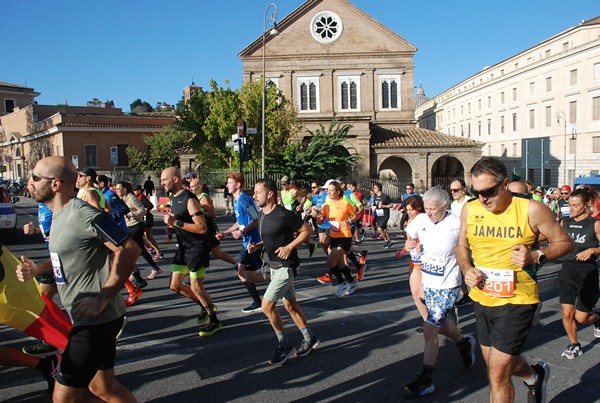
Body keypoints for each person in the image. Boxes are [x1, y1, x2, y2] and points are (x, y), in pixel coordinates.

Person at [16, 155, 140, 402]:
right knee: (103, 388)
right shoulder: (59, 216)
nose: (29, 182)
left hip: (95, 322)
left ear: (56, 184)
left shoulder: (81, 213)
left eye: (35, 178)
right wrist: (37, 269)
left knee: (63, 398)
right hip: (92, 319)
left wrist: (103, 296)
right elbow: (66, 261)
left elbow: (129, 249)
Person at [457, 157, 573, 403]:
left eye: (488, 191)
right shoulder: (471, 208)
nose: (483, 198)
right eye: (476, 192)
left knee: (497, 374)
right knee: (497, 366)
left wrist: (535, 255)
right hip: (482, 296)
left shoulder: (531, 209)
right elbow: (461, 246)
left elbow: (563, 243)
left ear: (505, 184)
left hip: (518, 299)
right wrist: (467, 268)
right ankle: (533, 376)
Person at [404, 187, 476, 396]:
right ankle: (464, 344)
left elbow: (472, 248)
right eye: (426, 208)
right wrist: (410, 242)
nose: (429, 213)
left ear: (445, 206)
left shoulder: (456, 224)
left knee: (430, 329)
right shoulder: (421, 220)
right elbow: (411, 236)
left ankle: (426, 380)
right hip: (429, 282)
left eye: (433, 209)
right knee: (441, 324)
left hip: (448, 285)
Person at [248, 178, 319, 365]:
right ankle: (310, 338)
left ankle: (285, 345)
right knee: (290, 306)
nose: (254, 196)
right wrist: (257, 246)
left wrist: (289, 247)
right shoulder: (263, 214)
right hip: (274, 266)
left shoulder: (283, 214)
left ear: (270, 194)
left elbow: (307, 231)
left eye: (258, 192)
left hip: (286, 267)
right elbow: (274, 237)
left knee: (267, 306)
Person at [161, 167, 222, 336]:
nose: (162, 183)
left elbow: (202, 228)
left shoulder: (190, 199)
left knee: (196, 287)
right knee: (174, 285)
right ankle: (205, 305)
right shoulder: (173, 198)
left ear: (175, 179)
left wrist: (177, 224)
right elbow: (177, 221)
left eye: (164, 180)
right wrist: (172, 227)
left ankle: (215, 321)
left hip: (197, 248)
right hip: (184, 247)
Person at [558, 187, 600, 359]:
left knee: (582, 318)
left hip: (587, 272)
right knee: (567, 313)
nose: (572, 208)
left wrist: (592, 250)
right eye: (570, 205)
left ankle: (596, 318)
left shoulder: (595, 224)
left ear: (586, 205)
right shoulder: (564, 223)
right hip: (568, 271)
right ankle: (574, 344)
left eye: (576, 205)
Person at [217, 172, 265, 313]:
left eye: (229, 183)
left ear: (238, 185)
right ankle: (258, 300)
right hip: (247, 242)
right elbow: (240, 221)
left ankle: (275, 282)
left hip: (253, 243)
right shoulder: (237, 200)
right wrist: (226, 233)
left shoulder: (244, 199)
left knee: (242, 271)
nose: (226, 185)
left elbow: (256, 219)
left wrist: (242, 232)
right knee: (242, 272)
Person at [314, 180, 360, 298]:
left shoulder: (345, 203)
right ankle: (352, 282)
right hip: (333, 235)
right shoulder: (327, 205)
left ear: (338, 191)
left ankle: (342, 283)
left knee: (330, 261)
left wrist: (349, 221)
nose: (328, 192)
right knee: (340, 263)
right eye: (327, 190)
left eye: (331, 190)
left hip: (344, 236)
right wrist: (318, 218)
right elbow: (322, 219)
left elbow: (355, 215)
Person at [115, 181, 162, 284]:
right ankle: (154, 268)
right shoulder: (123, 198)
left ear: (125, 189)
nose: (117, 191)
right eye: (116, 189)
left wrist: (130, 214)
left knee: (129, 249)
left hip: (135, 226)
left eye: (119, 189)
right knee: (140, 249)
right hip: (130, 225)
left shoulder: (131, 198)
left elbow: (141, 210)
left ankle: (135, 272)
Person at [396, 195, 428, 331]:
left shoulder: (424, 219)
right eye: (407, 210)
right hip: (413, 260)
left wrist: (421, 244)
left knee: (421, 294)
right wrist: (403, 250)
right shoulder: (411, 220)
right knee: (416, 294)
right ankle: (428, 321)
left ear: (419, 208)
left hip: (423, 261)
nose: (409, 212)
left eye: (411, 210)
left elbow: (431, 238)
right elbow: (410, 242)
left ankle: (442, 313)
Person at [189, 177, 237, 266]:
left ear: (199, 186)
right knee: (199, 252)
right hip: (203, 229)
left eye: (192, 187)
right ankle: (194, 276)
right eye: (190, 187)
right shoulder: (195, 197)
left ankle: (237, 263)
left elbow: (213, 213)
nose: (190, 189)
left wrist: (197, 213)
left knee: (217, 253)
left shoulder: (204, 197)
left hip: (210, 229)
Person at [450, 179, 473, 307]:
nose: (453, 192)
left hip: (470, 239)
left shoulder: (470, 202)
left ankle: (477, 292)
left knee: (472, 266)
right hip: (458, 239)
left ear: (463, 189)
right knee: (460, 267)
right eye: (451, 190)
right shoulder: (453, 205)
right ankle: (466, 294)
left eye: (456, 190)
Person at [132, 184, 162, 263]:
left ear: (138, 191)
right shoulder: (137, 197)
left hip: (147, 218)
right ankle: (150, 248)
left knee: (147, 236)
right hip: (144, 218)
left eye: (135, 190)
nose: (133, 192)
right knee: (143, 235)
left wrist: (145, 210)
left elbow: (150, 205)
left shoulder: (142, 197)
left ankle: (158, 252)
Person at [373, 182, 394, 248]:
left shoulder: (385, 196)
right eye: (374, 188)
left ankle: (386, 241)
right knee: (384, 229)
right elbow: (376, 203)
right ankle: (390, 242)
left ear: (379, 188)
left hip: (385, 215)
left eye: (375, 188)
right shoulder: (375, 196)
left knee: (380, 229)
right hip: (378, 214)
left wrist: (383, 206)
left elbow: (391, 205)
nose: (374, 189)